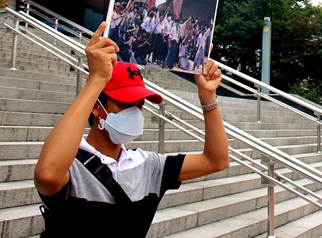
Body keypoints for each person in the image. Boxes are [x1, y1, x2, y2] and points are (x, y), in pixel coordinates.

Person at [34, 22, 228, 237]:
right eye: (125, 104)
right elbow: (48, 175)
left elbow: (216, 160)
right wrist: (96, 80)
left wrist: (208, 98)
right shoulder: (71, 166)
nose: (135, 112)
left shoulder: (149, 166)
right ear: (97, 107)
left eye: (139, 105)